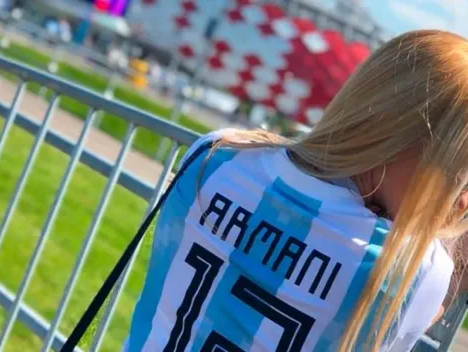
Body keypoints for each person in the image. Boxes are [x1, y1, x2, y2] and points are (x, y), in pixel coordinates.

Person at [125, 30, 468, 351]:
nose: (464, 200)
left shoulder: (218, 154)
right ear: (394, 138)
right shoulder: (416, 270)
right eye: (460, 173)